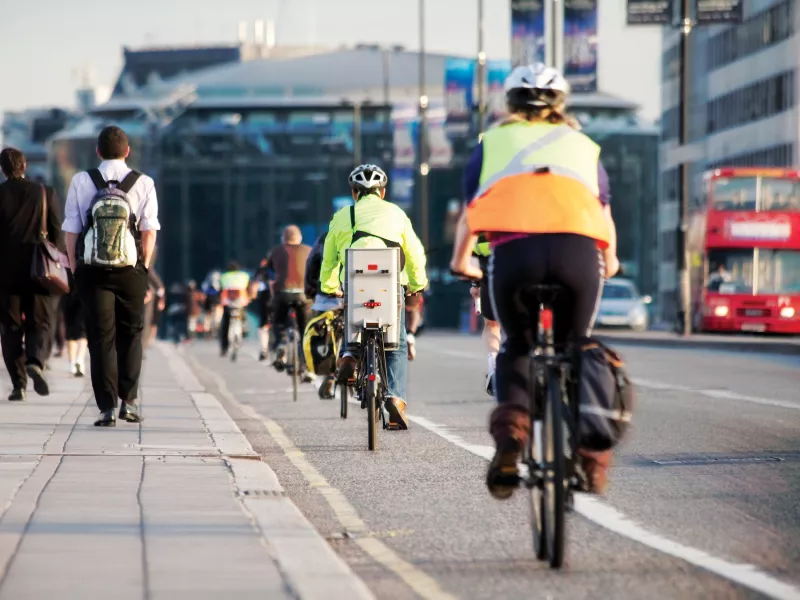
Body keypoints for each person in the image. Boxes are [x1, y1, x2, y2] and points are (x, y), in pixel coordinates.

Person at [450, 63, 619, 498]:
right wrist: (611, 259)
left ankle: (512, 437)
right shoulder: (584, 146)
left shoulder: (491, 144)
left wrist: (461, 260)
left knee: (518, 347)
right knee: (579, 345)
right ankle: (591, 453)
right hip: (577, 254)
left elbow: (471, 211)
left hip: (515, 254)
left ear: (509, 103)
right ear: (561, 104)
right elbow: (603, 212)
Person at [62, 126, 160, 426]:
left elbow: (71, 230)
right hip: (130, 269)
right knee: (131, 334)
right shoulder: (143, 182)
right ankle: (128, 402)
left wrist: (75, 268)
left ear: (98, 151)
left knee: (100, 336)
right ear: (127, 151)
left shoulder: (81, 180)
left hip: (92, 269)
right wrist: (143, 266)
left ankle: (106, 408)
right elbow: (148, 230)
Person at [320, 164, 428, 429]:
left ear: (354, 193)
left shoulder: (342, 216)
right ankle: (396, 399)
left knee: (352, 317)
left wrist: (329, 285)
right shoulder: (396, 213)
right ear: (382, 192)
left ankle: (348, 356)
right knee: (397, 342)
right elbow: (415, 253)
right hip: (390, 281)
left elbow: (329, 256)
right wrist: (417, 284)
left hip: (354, 278)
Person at [0, 148, 63, 400]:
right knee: (40, 321)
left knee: (10, 327)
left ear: (3, 169)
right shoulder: (45, 193)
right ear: (24, 165)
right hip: (39, 270)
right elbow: (56, 232)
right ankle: (35, 360)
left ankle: (19, 385)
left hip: (5, 272)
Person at [266, 225, 313, 382]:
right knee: (306, 329)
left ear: (283, 239)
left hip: (282, 293)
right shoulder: (308, 250)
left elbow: (268, 273)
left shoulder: (276, 251)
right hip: (303, 295)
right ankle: (306, 366)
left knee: (278, 322)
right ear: (300, 238)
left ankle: (281, 344)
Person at [470, 237, 501, 394]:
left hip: (492, 272)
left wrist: (475, 284)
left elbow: (472, 252)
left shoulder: (483, 225)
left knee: (491, 324)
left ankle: (494, 365)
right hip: (534, 265)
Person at [219, 261, 251, 357]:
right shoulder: (244, 275)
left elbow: (221, 289)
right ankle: (244, 328)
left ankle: (224, 347)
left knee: (225, 323)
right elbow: (248, 288)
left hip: (227, 301)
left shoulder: (224, 276)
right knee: (243, 314)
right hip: (241, 300)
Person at [250, 257, 274, 361]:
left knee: (263, 325)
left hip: (265, 298)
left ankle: (264, 349)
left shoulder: (261, 271)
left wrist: (252, 297)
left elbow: (254, 286)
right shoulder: (280, 268)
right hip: (279, 296)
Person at [61, 288, 87, 377]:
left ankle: (72, 363)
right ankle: (80, 359)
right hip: (83, 293)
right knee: (83, 330)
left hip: (67, 292)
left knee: (70, 330)